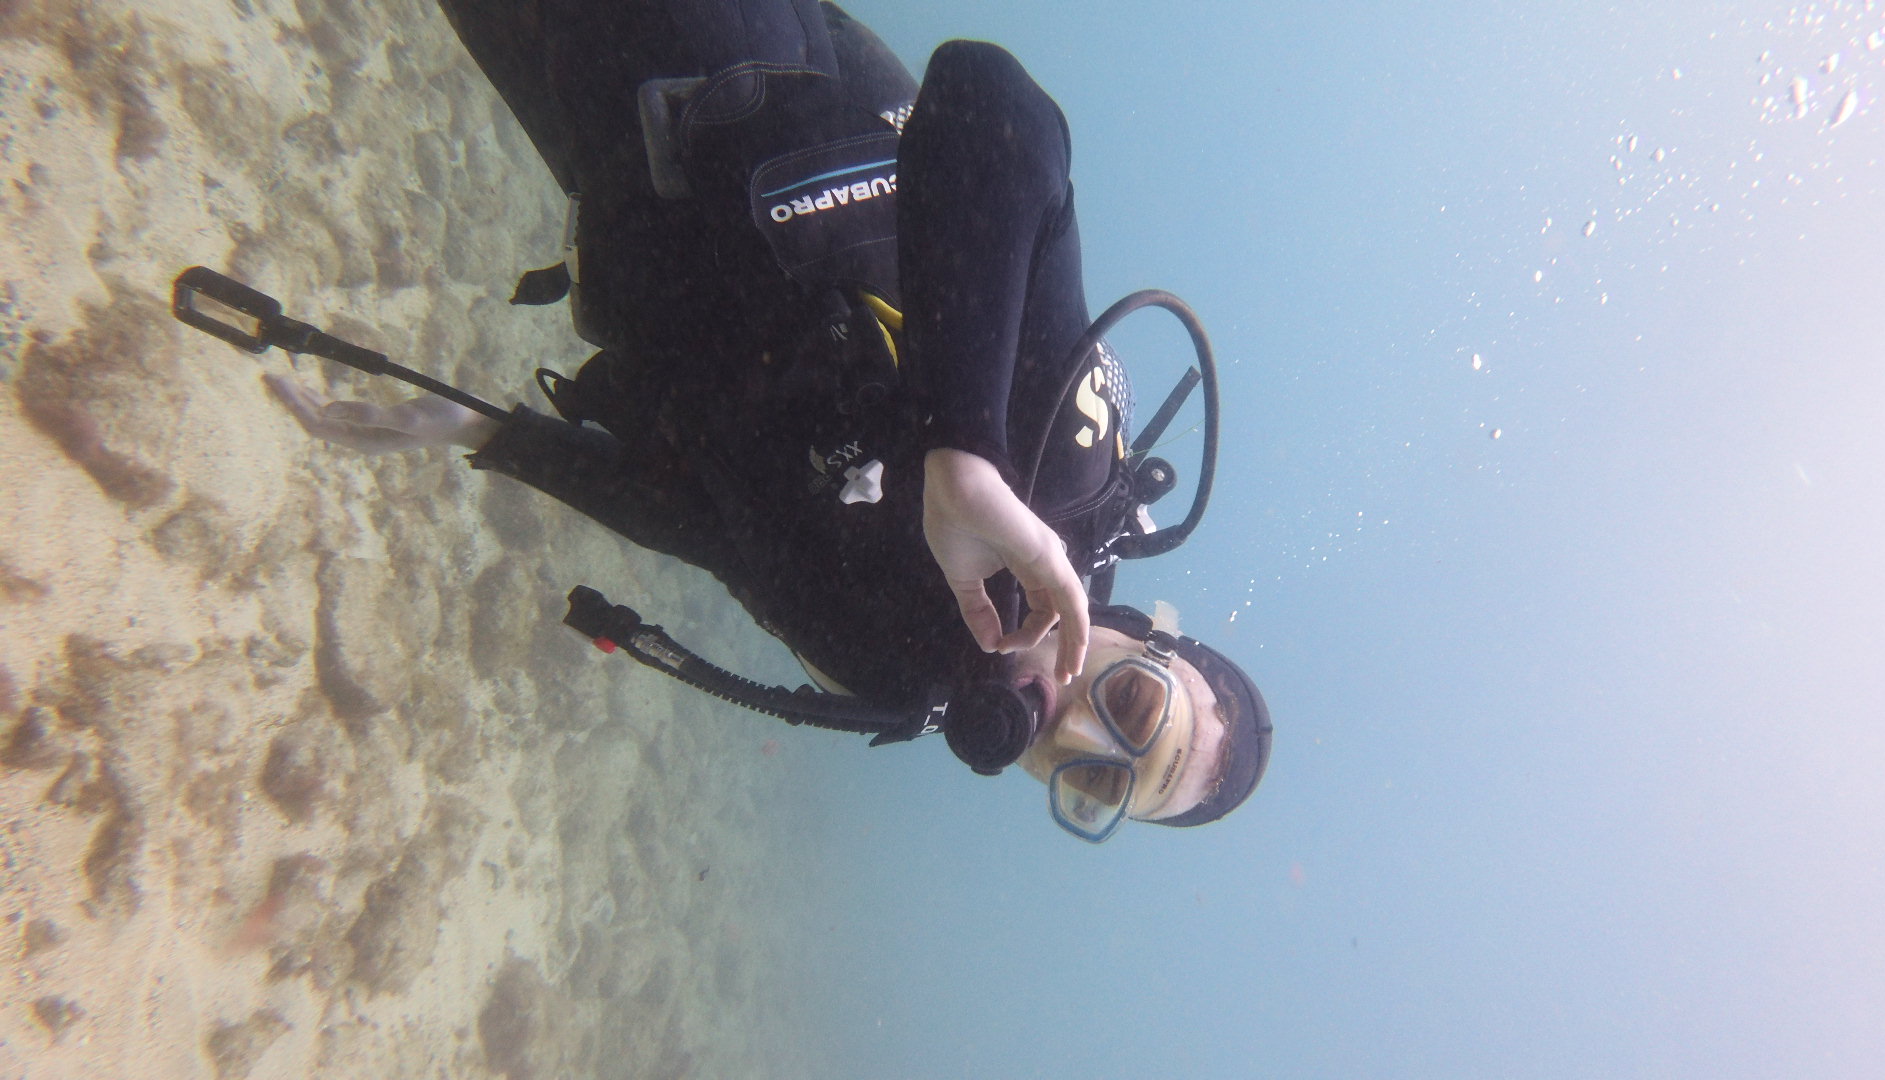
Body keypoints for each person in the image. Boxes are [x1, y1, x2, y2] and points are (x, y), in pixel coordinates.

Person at [265, 0, 1271, 841]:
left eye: (1094, 787)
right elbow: (988, 98)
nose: (1077, 739)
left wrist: (492, 437)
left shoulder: (899, 677)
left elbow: (709, 527)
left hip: (611, 167)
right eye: (1133, 708)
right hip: (731, 66)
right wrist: (966, 450)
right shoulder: (1065, 465)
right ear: (1148, 637)